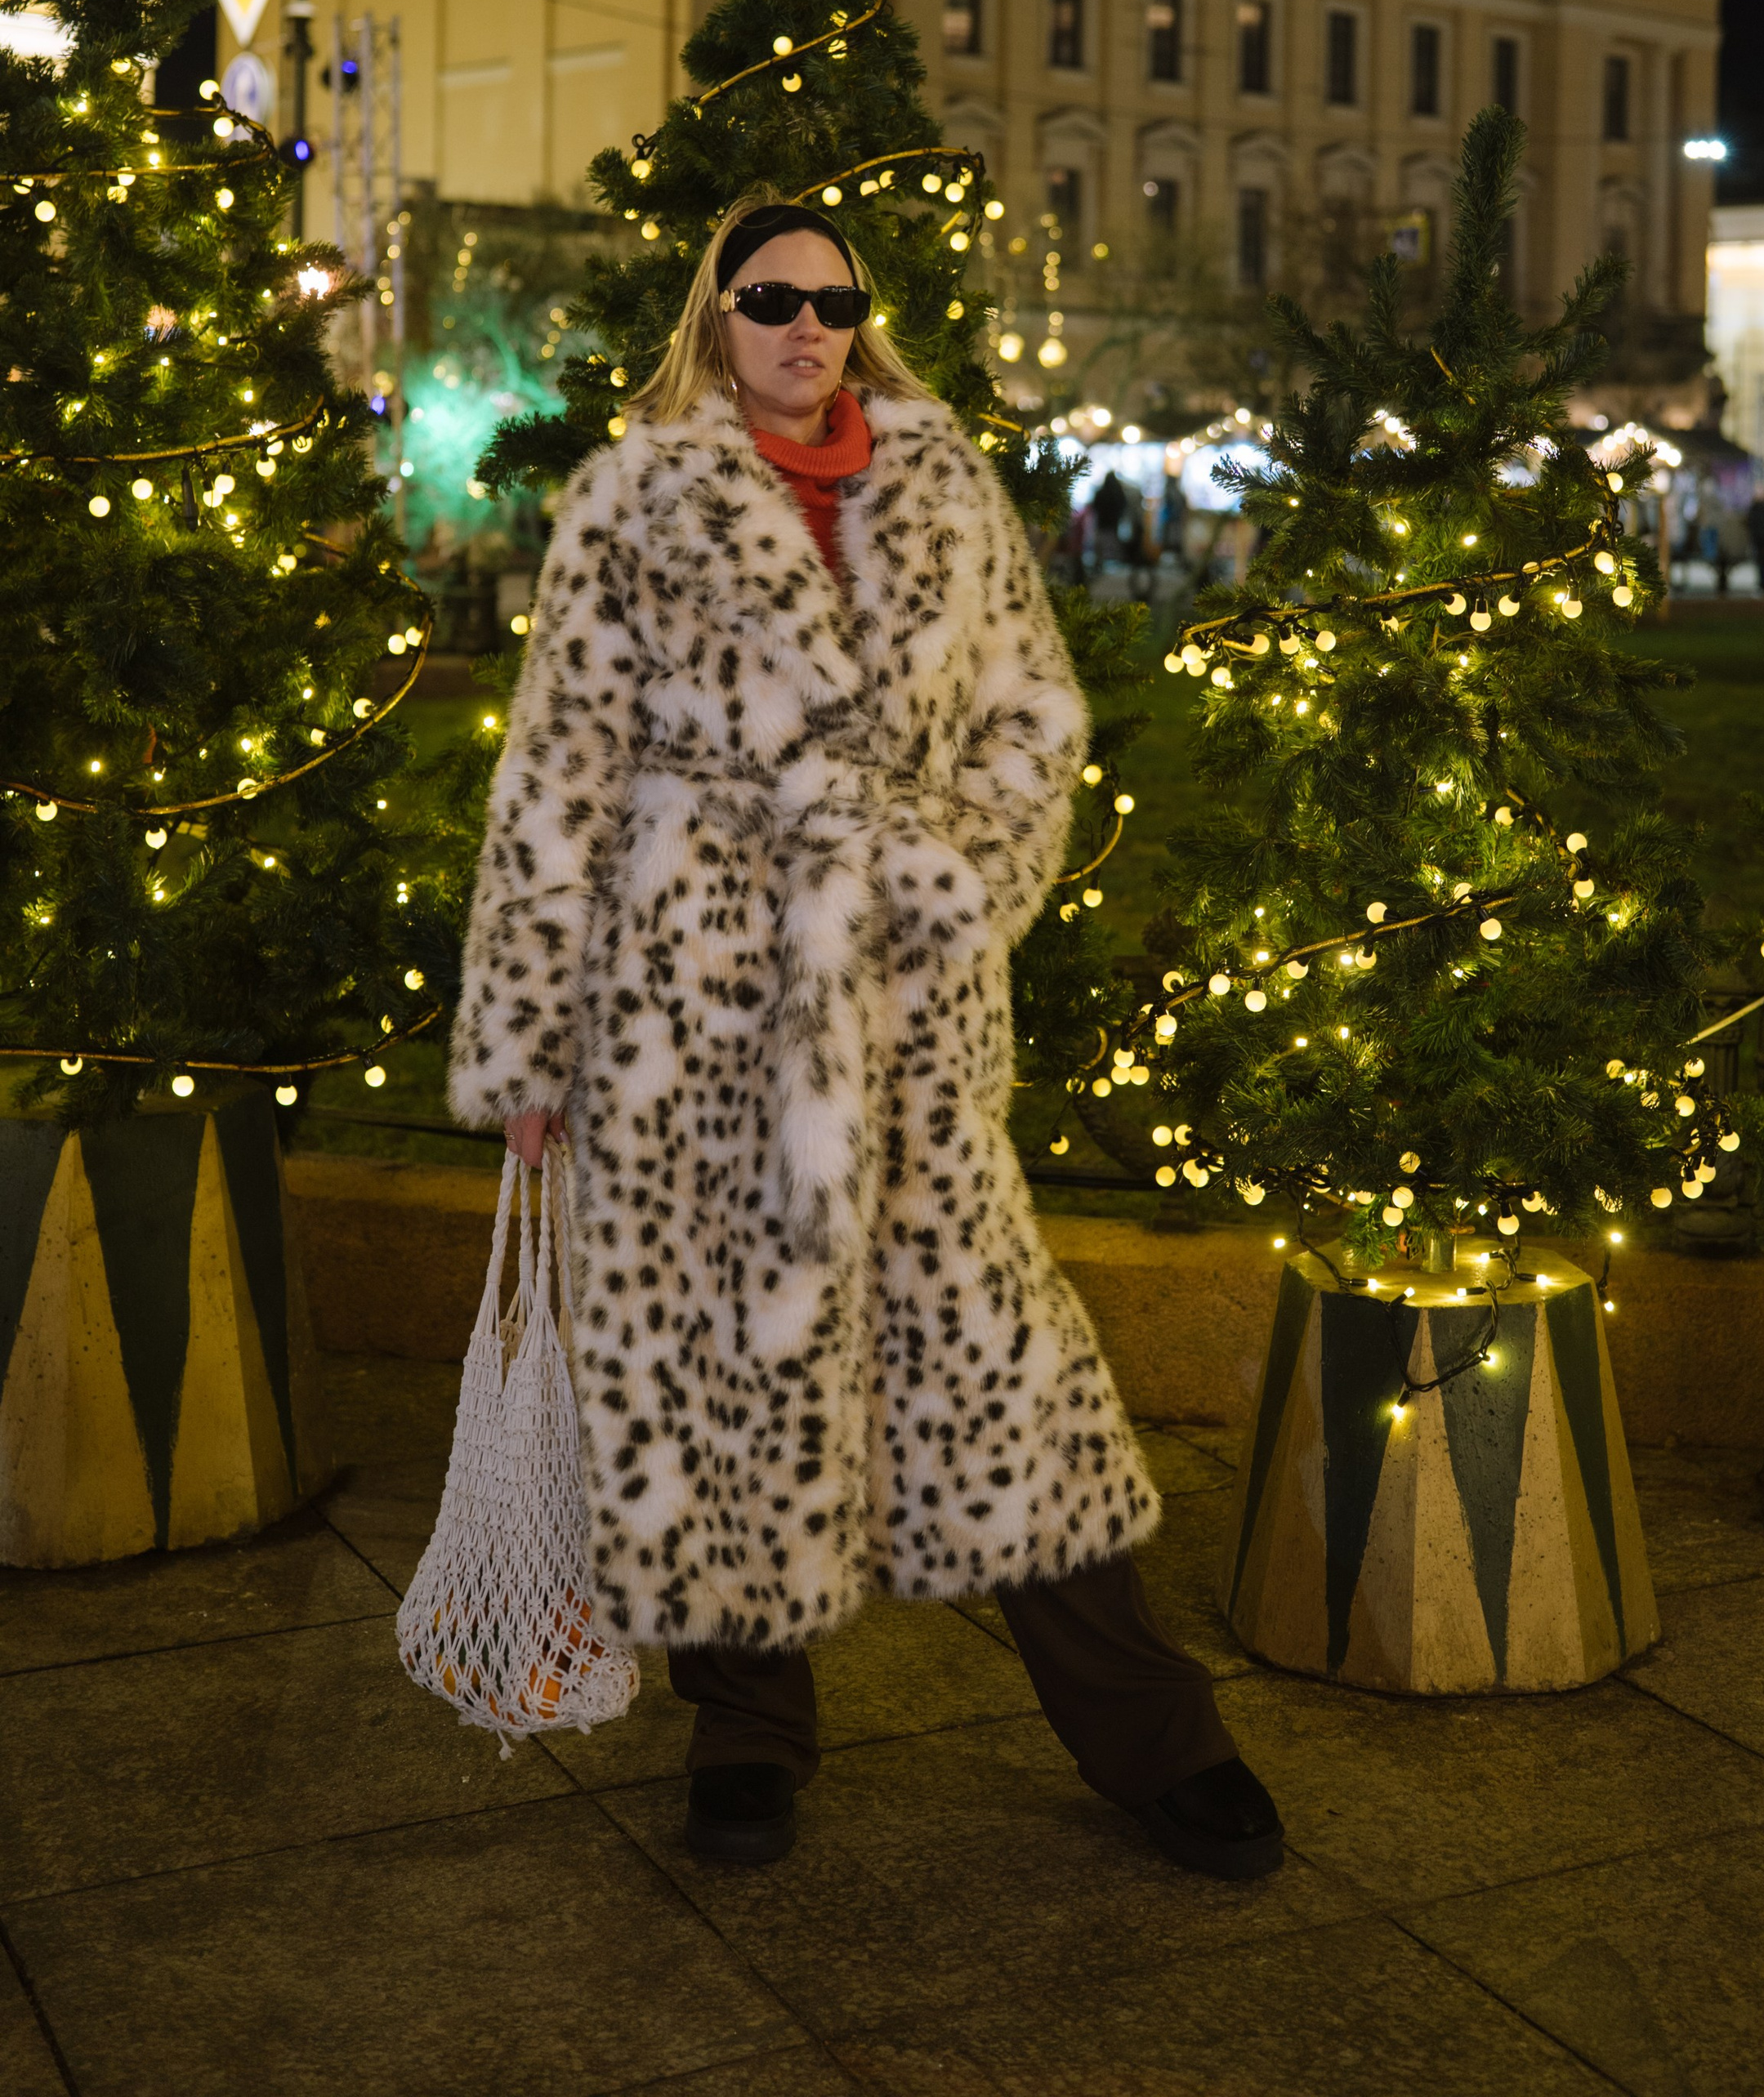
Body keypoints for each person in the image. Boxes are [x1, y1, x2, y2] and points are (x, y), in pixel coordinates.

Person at [450, 197, 1282, 1882]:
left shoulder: (944, 487)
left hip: (906, 1019)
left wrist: (954, 873)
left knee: (1002, 1375)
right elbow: (554, 781)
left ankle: (1152, 1738)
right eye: (767, 296)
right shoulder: (632, 500)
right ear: (717, 313)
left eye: (831, 299)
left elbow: (1035, 716)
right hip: (686, 1014)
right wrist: (531, 1046)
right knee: (711, 1373)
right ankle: (745, 1734)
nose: (801, 325)